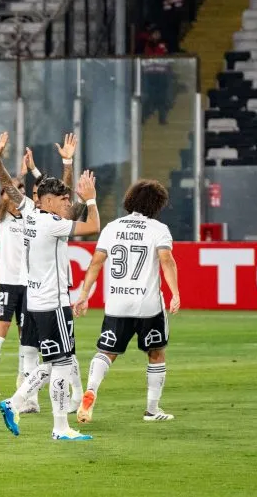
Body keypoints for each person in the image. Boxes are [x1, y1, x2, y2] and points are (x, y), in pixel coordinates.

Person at [0, 132, 101, 441]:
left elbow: (6, 185)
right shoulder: (52, 223)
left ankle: (13, 402)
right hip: (53, 303)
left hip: (35, 302)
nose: (68, 202)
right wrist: (90, 197)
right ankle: (60, 428)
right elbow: (92, 226)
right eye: (64, 199)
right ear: (50, 200)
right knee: (63, 363)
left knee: (53, 363)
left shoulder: (28, 210)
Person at [74, 180, 180, 423]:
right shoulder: (158, 229)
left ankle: (91, 390)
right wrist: (175, 293)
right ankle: (152, 410)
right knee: (156, 353)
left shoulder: (112, 228)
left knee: (106, 352)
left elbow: (96, 263)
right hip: (148, 305)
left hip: (117, 304)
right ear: (157, 204)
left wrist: (83, 295)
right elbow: (167, 261)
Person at [0, 135, 76, 404]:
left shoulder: (35, 216)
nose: (20, 194)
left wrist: (66, 164)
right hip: (9, 283)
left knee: (30, 342)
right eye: (16, 191)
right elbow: (8, 188)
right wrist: (1, 161)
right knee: (5, 330)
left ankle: (28, 392)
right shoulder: (0, 217)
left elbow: (58, 196)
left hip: (31, 287)